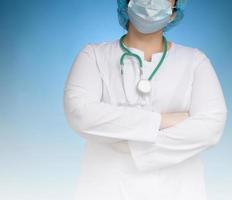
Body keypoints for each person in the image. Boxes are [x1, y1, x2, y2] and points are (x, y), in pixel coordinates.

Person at [63, 0, 228, 199]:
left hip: (179, 191)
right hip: (105, 189)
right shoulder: (93, 56)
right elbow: (80, 114)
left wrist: (129, 146)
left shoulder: (195, 62)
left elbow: (211, 127)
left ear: (175, 11)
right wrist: (161, 120)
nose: (151, 2)